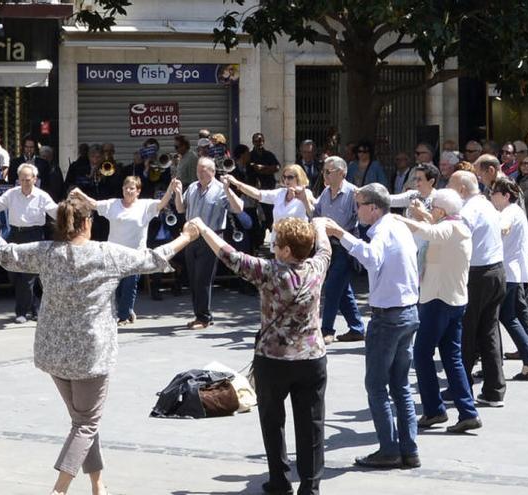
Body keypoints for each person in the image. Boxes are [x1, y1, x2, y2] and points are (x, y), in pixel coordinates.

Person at [0, 196, 197, 495]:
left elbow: (3, 251)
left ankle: (97, 484)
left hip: (54, 353)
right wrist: (186, 236)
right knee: (86, 423)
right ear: (87, 223)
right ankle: (59, 490)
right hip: (90, 355)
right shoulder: (106, 254)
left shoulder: (47, 252)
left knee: (82, 421)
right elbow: (153, 259)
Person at [191, 215, 331, 495]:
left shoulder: (268, 272)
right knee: (311, 423)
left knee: (272, 420)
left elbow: (229, 255)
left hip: (273, 360)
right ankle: (310, 486)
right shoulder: (316, 268)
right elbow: (325, 248)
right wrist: (319, 225)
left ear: (287, 250)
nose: (273, 246)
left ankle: (280, 481)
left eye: (276, 243)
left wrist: (204, 228)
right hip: (312, 359)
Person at [323, 183, 421, 469]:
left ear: (374, 207)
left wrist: (341, 234)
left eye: (360, 205)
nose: (357, 210)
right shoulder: (398, 226)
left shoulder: (381, 229)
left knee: (377, 385)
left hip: (389, 316)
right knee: (400, 385)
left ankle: (390, 449)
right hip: (407, 312)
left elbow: (372, 258)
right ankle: (409, 448)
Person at [393, 189, 482, 434]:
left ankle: (434, 410)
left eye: (433, 208)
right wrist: (423, 216)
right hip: (451, 299)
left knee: (422, 355)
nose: (430, 211)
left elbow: (433, 232)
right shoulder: (456, 227)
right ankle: (467, 411)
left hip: (438, 300)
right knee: (452, 357)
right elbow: (435, 231)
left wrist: (400, 219)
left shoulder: (450, 229)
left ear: (441, 210)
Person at [70, 176, 176, 325]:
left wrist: (171, 188)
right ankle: (126, 310)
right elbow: (93, 204)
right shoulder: (113, 204)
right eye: (126, 188)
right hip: (113, 254)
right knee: (116, 287)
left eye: (132, 188)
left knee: (129, 286)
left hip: (135, 254)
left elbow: (162, 204)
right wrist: (80, 193)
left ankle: (124, 316)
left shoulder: (145, 205)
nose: (128, 191)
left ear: (138, 191)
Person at [448, 170, 507, 407]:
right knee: (488, 332)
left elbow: (455, 240)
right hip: (495, 272)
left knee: (466, 333)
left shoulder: (468, 210)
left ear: (461, 189)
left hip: (477, 275)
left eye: (451, 187)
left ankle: (461, 388)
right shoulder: (487, 205)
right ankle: (494, 390)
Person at [0, 163, 58, 323]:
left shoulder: (42, 196)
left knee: (28, 277)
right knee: (14, 275)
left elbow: (55, 212)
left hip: (34, 236)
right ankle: (35, 309)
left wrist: (70, 211)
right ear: (18, 180)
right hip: (15, 236)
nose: (25, 183)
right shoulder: (12, 193)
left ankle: (21, 312)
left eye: (28, 179)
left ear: (35, 179)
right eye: (22, 180)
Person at [174, 158, 244, 329]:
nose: (199, 172)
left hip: (211, 238)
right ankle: (199, 315)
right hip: (191, 238)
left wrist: (229, 190)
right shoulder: (192, 187)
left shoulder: (220, 189)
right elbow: (180, 209)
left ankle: (204, 318)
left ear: (213, 171)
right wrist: (177, 192)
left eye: (204, 169)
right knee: (193, 278)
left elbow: (238, 208)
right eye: (198, 169)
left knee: (203, 278)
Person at [490, 178, 528, 380]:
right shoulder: (514, 211)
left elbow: (503, 227)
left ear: (505, 196)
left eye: (494, 192)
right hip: (512, 272)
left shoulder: (509, 212)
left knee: (503, 317)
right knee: (510, 316)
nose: (491, 196)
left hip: (506, 271)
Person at [312, 156, 365, 343]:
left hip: (345, 247)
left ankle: (327, 330)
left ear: (342, 173)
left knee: (333, 288)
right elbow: (316, 214)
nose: (324, 174)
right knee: (343, 290)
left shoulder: (353, 193)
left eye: (328, 171)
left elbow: (363, 221)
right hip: (328, 247)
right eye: (323, 170)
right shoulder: (326, 192)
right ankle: (357, 328)